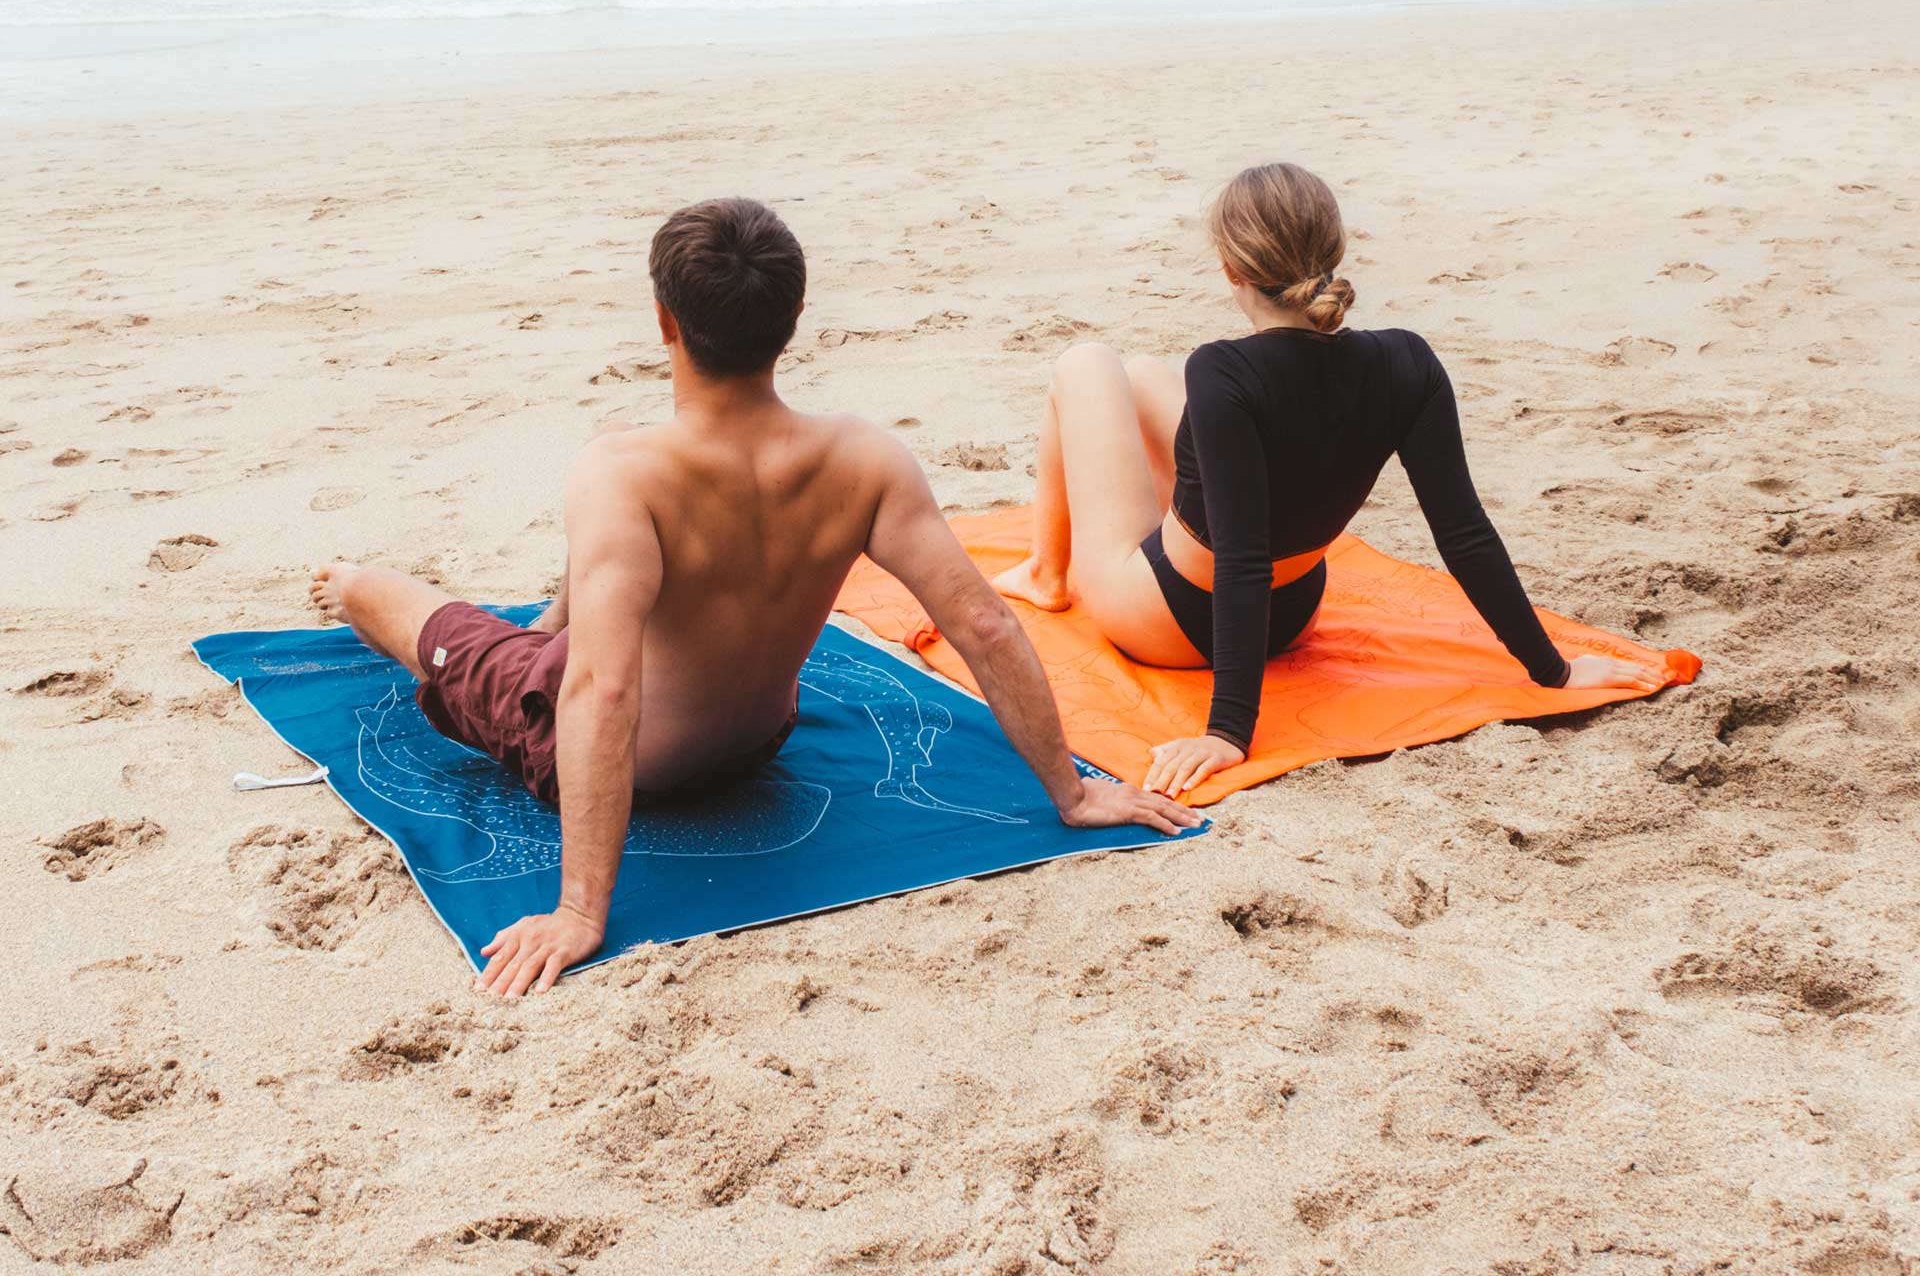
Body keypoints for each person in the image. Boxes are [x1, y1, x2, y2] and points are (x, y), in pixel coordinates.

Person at [310, 197, 1196, 997]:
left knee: (398, 601)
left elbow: (603, 691)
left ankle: (351, 587)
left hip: (638, 762)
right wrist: (1072, 793)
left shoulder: (622, 473)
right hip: (757, 741)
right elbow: (984, 623)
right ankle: (552, 621)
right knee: (608, 525)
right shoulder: (864, 459)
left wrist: (581, 911)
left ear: (666, 321)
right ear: (794, 320)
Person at [993, 161, 1662, 801]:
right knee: (1141, 375)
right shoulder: (1407, 360)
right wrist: (1553, 669)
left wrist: (1228, 732)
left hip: (1170, 622)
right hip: (1295, 613)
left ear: (1230, 269)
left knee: (1086, 363)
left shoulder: (1221, 370)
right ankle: (1055, 567)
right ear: (1333, 252)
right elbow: (1464, 533)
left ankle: (1048, 574)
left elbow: (1241, 557)